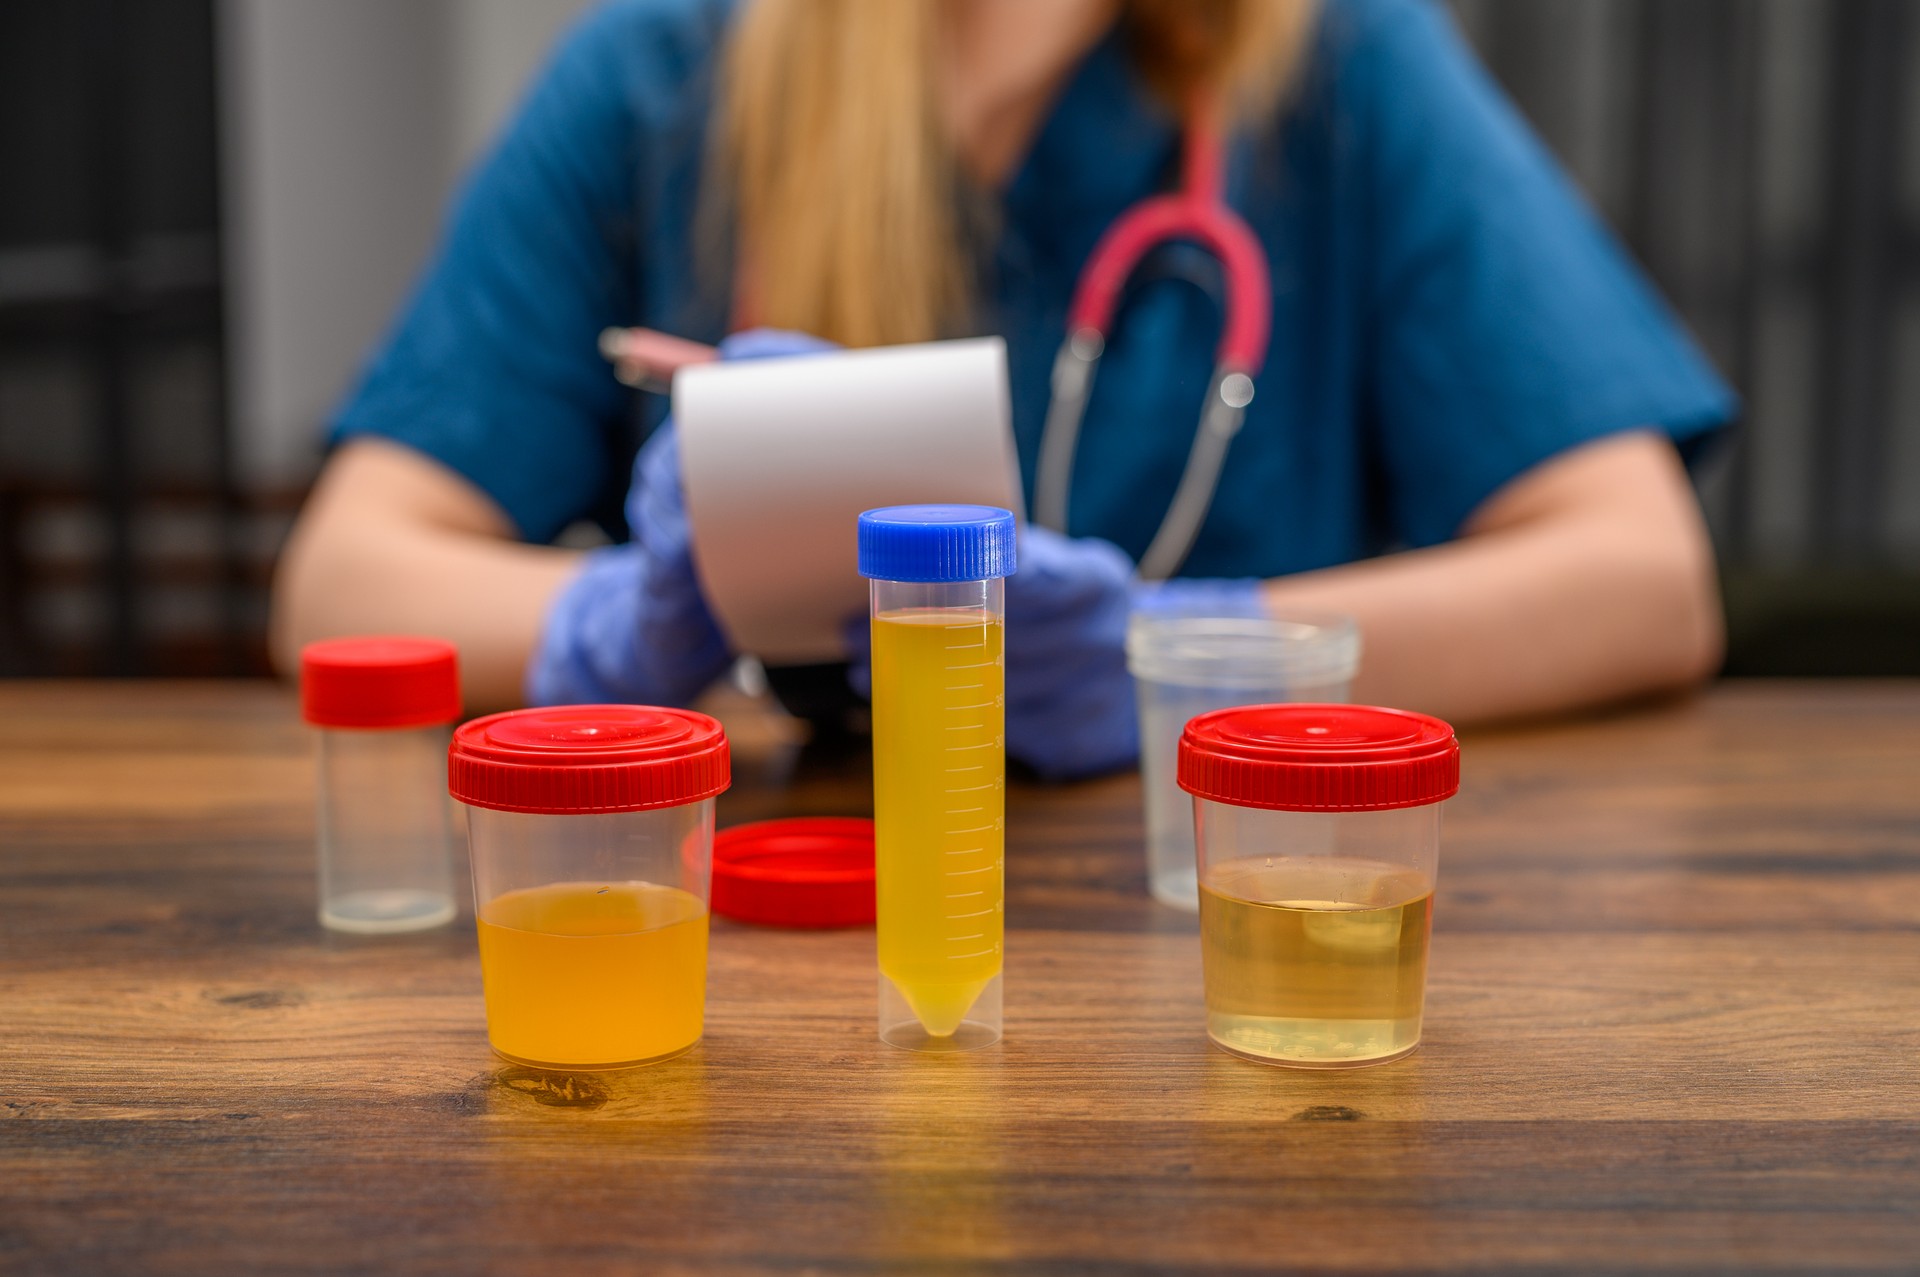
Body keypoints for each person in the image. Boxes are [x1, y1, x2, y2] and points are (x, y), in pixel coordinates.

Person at [272, 0, 1733, 779]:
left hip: (1212, 940)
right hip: (766, 974)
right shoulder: (656, 80)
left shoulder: (1343, 63)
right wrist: (612, 633)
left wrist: (1175, 661)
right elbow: (344, 578)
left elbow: (1644, 577)